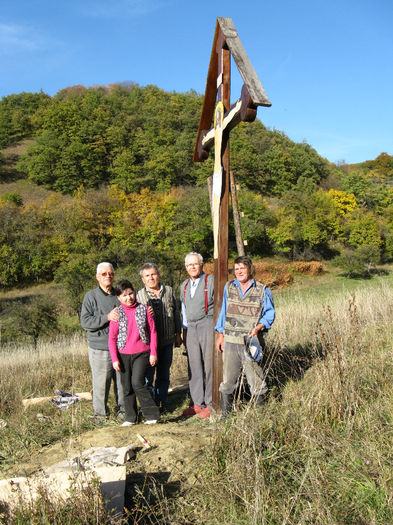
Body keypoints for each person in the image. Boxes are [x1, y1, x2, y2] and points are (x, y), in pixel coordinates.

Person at [215, 256, 275, 418]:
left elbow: (270, 314)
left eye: (242, 268)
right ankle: (226, 416)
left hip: (251, 342)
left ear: (250, 269)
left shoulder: (262, 289)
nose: (239, 271)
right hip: (230, 341)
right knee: (228, 380)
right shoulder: (229, 288)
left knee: (255, 378)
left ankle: (258, 416)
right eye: (236, 269)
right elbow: (224, 312)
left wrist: (258, 327)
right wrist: (220, 335)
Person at [108, 279, 159, 426]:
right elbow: (111, 339)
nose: (128, 297)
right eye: (124, 295)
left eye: (130, 293)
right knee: (127, 386)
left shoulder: (144, 309)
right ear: (118, 297)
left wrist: (153, 353)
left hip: (142, 353)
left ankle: (152, 414)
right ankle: (131, 417)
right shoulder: (117, 314)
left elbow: (153, 332)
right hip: (123, 355)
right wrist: (114, 359)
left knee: (137, 383)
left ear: (134, 293)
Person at [80, 262, 125, 421]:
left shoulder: (119, 294)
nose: (108, 276)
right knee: (101, 383)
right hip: (100, 348)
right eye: (104, 274)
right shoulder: (90, 297)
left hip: (121, 347)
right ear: (97, 276)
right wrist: (106, 317)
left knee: (121, 382)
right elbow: (85, 322)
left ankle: (123, 413)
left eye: (110, 273)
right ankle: (100, 416)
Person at [137, 263, 182, 413]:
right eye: (147, 276)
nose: (151, 278)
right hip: (148, 345)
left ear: (159, 275)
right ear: (143, 279)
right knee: (147, 377)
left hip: (167, 341)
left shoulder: (168, 291)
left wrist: (178, 333)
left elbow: (176, 313)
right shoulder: (139, 295)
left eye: (153, 274)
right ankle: (149, 407)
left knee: (163, 375)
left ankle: (161, 403)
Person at [180, 252, 214, 419]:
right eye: (189, 265)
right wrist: (184, 331)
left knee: (209, 363)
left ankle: (210, 402)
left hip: (207, 322)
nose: (192, 267)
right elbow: (184, 311)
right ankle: (197, 403)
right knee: (194, 365)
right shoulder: (184, 285)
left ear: (201, 265)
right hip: (191, 327)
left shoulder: (211, 280)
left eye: (195, 264)